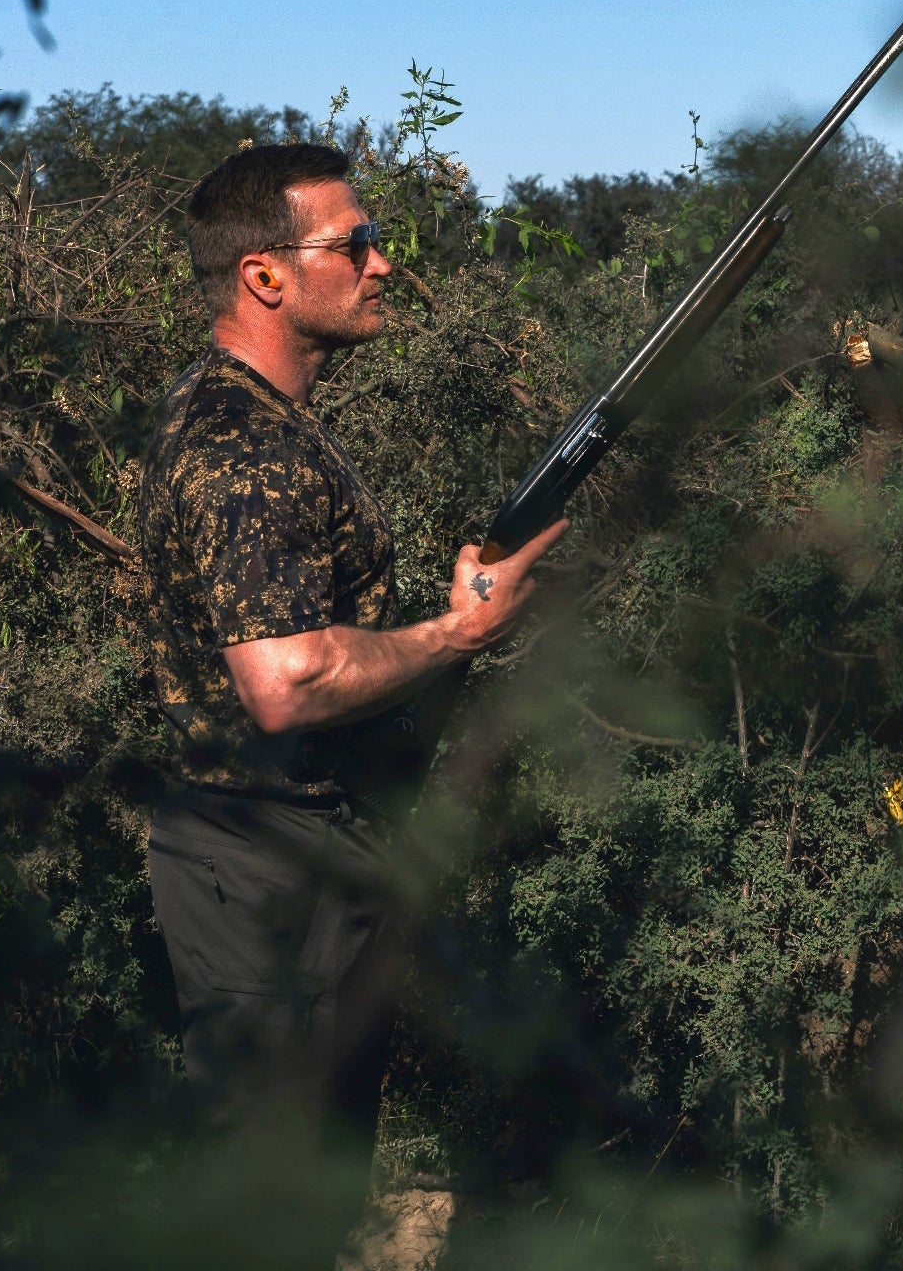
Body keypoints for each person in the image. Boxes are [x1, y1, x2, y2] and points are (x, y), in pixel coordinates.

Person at [136, 143, 564, 1214]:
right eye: (355, 243)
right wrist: (456, 638)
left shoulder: (250, 419)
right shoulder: (242, 442)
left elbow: (310, 629)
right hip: (269, 875)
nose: (382, 265)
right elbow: (288, 680)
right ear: (264, 276)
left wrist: (437, 615)